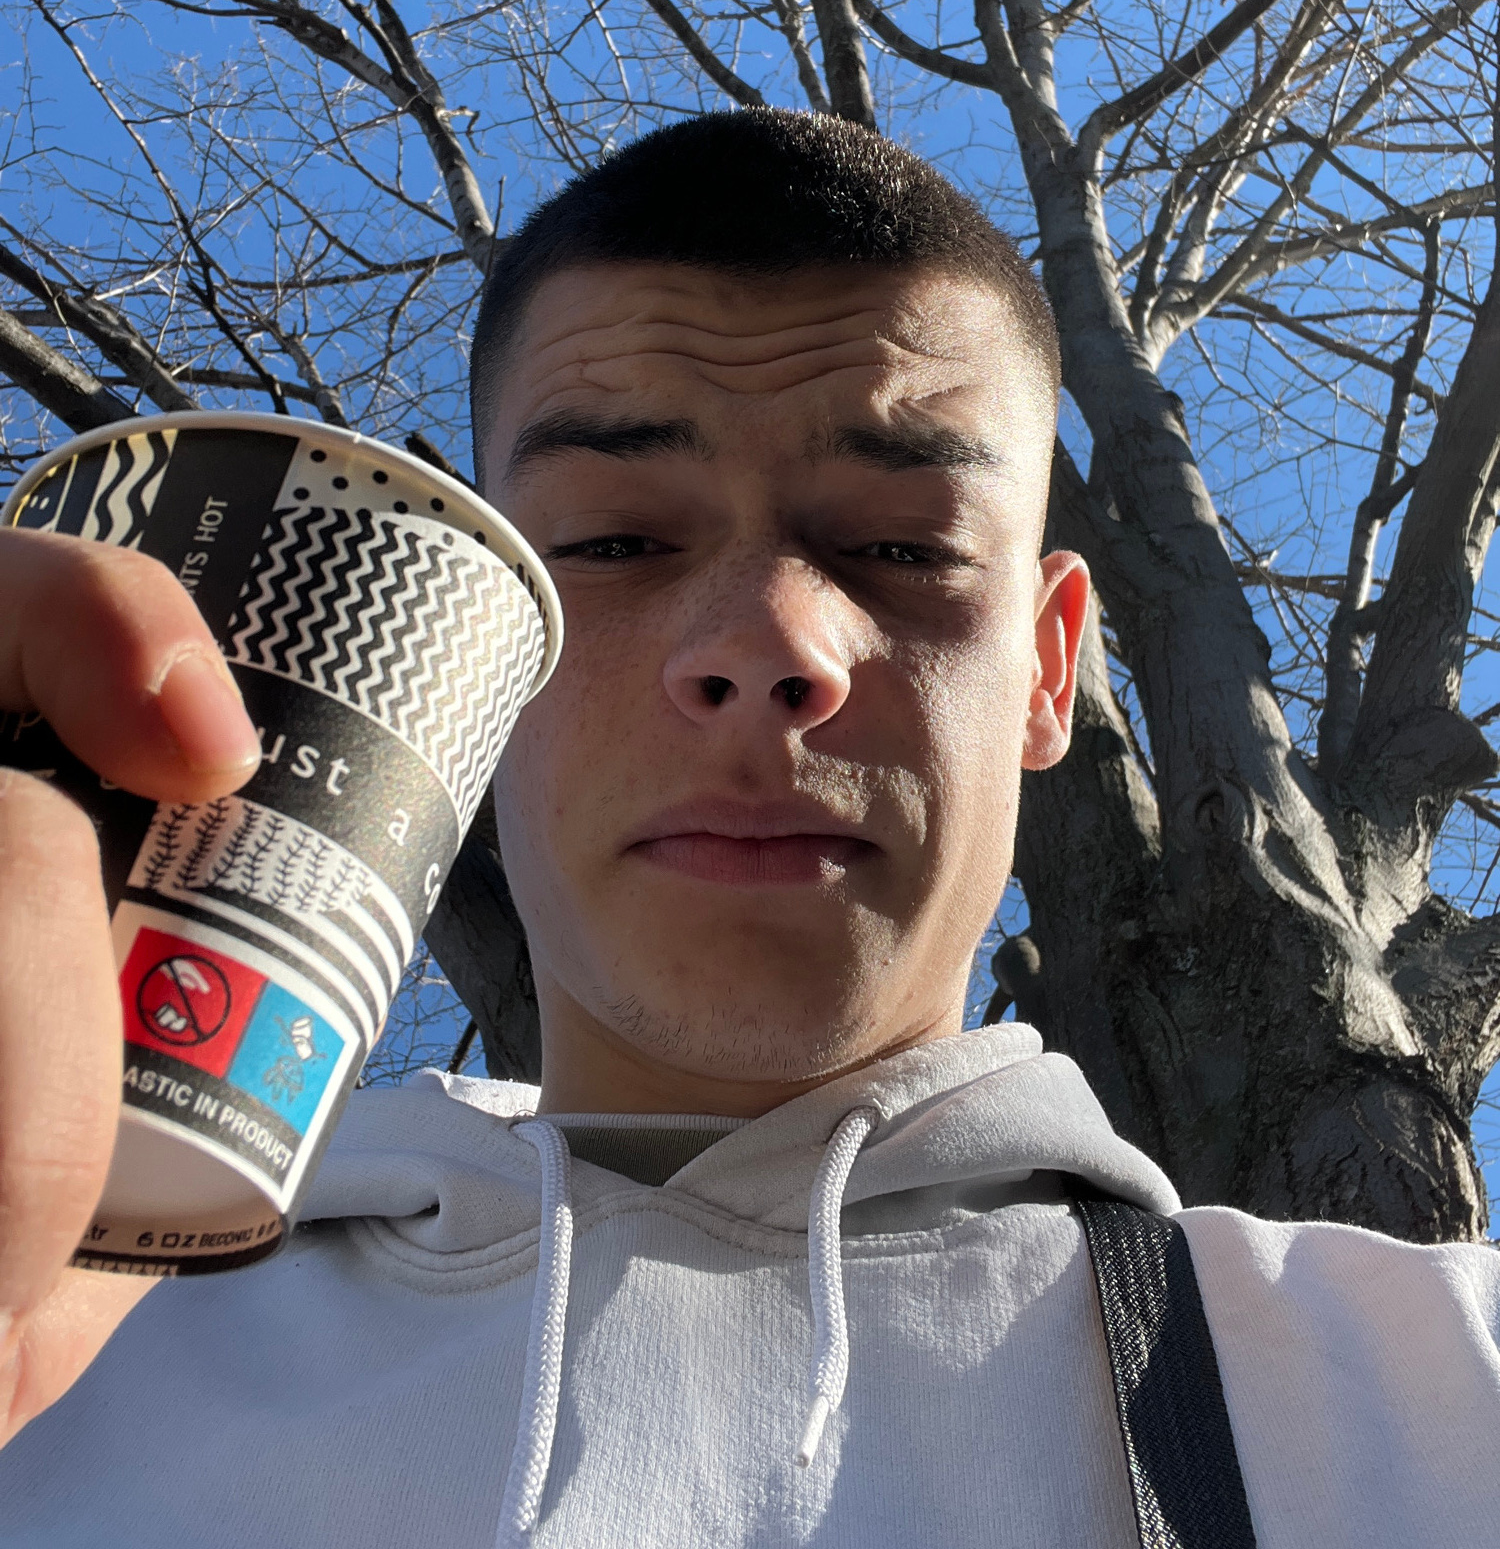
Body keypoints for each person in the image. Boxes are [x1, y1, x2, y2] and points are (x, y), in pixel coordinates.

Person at [1, 109, 1498, 1548]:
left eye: (904, 547)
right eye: (612, 540)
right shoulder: (55, 1336)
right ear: (468, 659)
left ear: (1051, 673)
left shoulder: (1451, 1386)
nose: (769, 644)